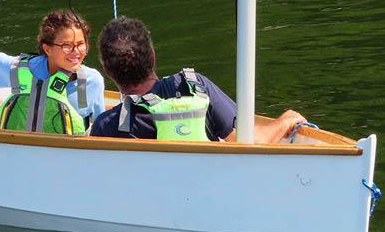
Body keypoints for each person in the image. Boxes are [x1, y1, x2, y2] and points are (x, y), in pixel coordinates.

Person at [89, 17, 306, 143]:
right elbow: (248, 143)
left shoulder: (106, 126)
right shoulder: (193, 86)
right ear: (153, 56)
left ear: (107, 71)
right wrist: (285, 121)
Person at [0, 10, 105, 134]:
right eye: (67, 46)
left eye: (81, 44)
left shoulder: (92, 81)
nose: (76, 52)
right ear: (47, 49)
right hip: (17, 151)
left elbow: (100, 128)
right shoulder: (20, 70)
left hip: (67, 156)